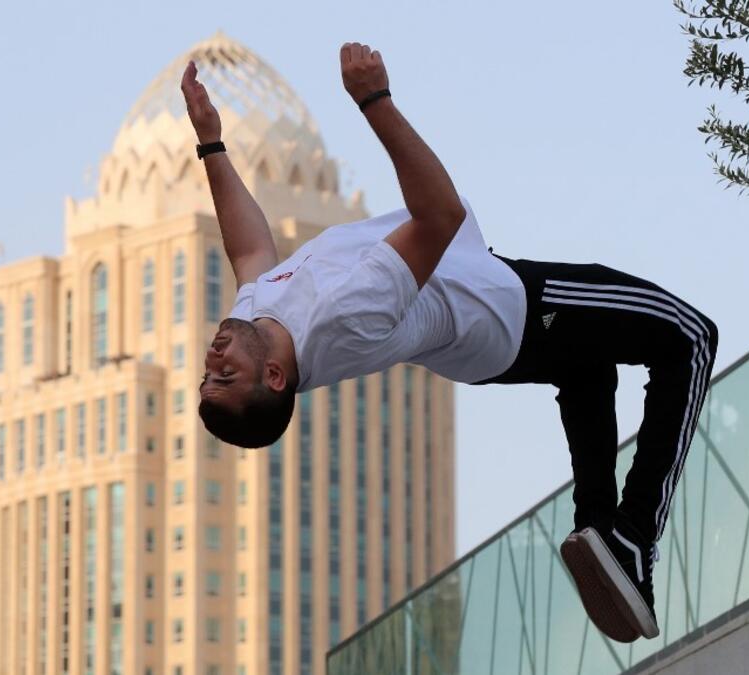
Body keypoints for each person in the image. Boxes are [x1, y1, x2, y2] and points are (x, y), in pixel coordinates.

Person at [182, 41, 718, 643]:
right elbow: (439, 216)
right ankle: (635, 537)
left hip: (484, 336)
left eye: (208, 372)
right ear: (275, 378)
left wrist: (210, 142)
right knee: (689, 336)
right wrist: (375, 101)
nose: (213, 357)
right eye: (224, 375)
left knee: (588, 366)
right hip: (510, 309)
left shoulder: (256, 319)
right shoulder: (343, 316)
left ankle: (599, 531)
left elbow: (250, 249)